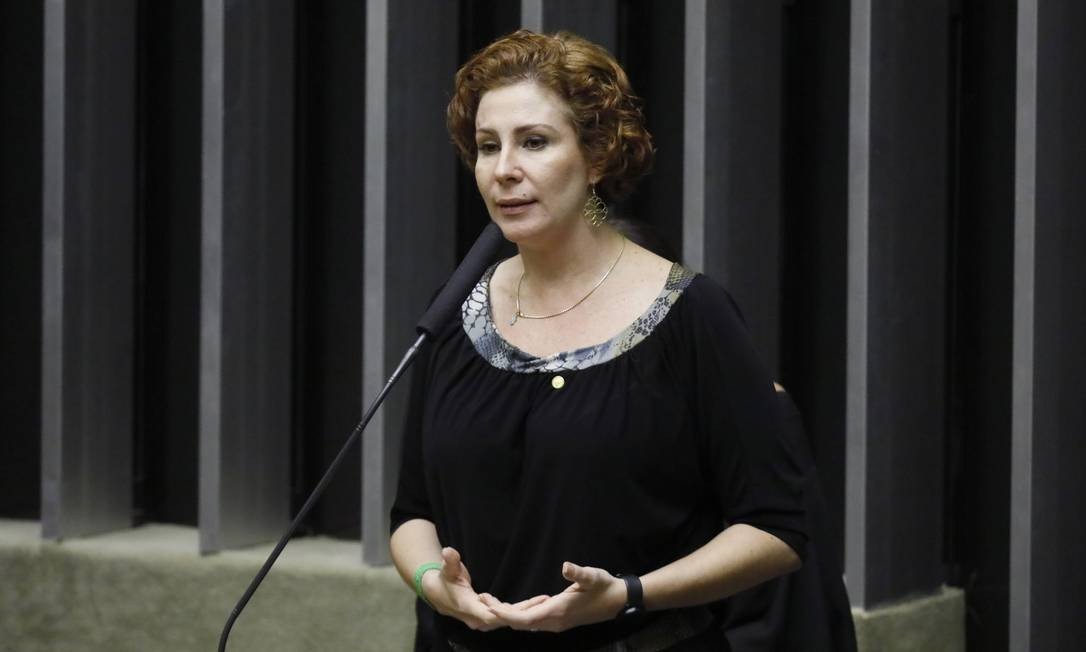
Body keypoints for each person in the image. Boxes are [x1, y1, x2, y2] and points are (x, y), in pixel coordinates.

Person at [389, 30, 807, 652]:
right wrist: (432, 582)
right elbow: (412, 513)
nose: (504, 169)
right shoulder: (455, 308)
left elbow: (778, 529)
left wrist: (629, 594)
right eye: (486, 146)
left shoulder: (694, 316)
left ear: (598, 156)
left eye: (534, 142)